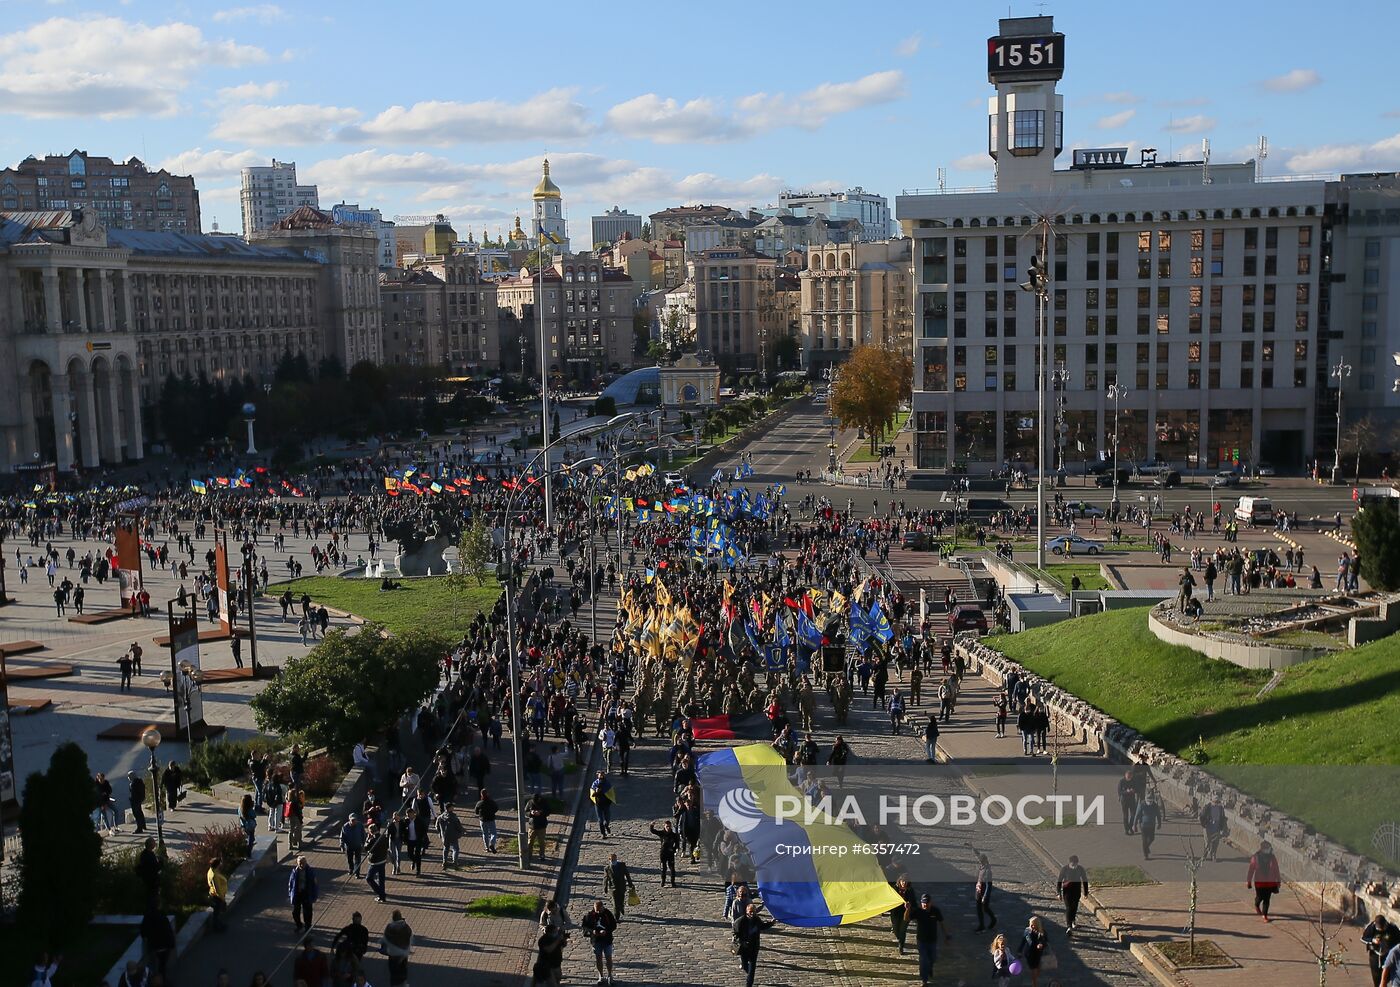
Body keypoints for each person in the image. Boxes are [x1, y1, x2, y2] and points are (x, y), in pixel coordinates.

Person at [908, 892, 950, 986]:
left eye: (927, 902)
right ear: (921, 903)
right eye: (923, 902)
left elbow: (942, 923)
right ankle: (924, 979)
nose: (925, 904)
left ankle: (929, 968)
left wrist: (946, 936)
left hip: (932, 940)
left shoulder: (935, 911)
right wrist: (907, 909)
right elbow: (906, 918)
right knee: (923, 960)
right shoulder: (918, 911)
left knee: (933, 958)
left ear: (931, 902)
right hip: (921, 941)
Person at [731, 901, 776, 987]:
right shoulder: (740, 921)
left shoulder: (756, 919)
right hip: (744, 947)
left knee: (752, 966)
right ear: (747, 911)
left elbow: (762, 926)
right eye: (750, 911)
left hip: (754, 946)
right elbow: (735, 933)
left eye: (753, 911)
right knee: (744, 965)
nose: (752, 913)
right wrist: (741, 941)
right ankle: (749, 975)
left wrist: (771, 923)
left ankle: (749, 983)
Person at [580, 899, 618, 986]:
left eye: (599, 910)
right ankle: (600, 975)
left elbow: (613, 925)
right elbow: (585, 927)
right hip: (596, 940)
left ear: (602, 907)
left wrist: (606, 931)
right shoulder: (589, 915)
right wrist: (593, 931)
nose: (598, 912)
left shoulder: (607, 913)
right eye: (596, 910)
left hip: (607, 939)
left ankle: (609, 975)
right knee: (598, 958)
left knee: (608, 958)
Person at [1246, 839, 1281, 922]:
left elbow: (1276, 869)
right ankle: (1256, 904)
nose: (1270, 850)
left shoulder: (1272, 857)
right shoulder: (1256, 857)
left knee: (1267, 899)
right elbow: (1251, 870)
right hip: (1259, 882)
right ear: (1263, 849)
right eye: (1268, 848)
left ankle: (1264, 915)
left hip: (1270, 882)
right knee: (1260, 897)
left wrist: (1278, 880)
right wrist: (1248, 881)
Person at [1363, 914, 1399, 987]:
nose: (1381, 930)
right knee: (1377, 978)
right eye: (1379, 929)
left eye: (1383, 928)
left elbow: (1398, 940)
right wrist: (1372, 940)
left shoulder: (1392, 928)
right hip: (1375, 957)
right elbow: (1364, 938)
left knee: (1390, 976)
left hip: (1389, 955)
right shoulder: (1372, 927)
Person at [1057, 855, 1090, 933]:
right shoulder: (1064, 869)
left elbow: (1085, 880)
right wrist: (1059, 893)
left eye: (1076, 864)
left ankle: (1073, 921)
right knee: (1069, 908)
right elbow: (1059, 881)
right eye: (1073, 864)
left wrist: (1086, 892)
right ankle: (1069, 926)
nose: (1074, 866)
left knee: (1074, 907)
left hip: (1076, 891)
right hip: (1067, 892)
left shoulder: (1080, 869)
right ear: (1070, 863)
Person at [381, 910, 413, 986]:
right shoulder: (406, 927)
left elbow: (386, 939)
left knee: (393, 973)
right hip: (403, 954)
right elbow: (409, 939)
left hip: (393, 954)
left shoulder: (390, 927)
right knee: (402, 973)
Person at [288, 854, 319, 932]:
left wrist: (314, 895)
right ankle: (299, 925)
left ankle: (307, 926)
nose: (301, 865)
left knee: (307, 912)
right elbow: (291, 883)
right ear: (297, 863)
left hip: (306, 893)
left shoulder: (310, 872)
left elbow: (314, 884)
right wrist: (290, 893)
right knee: (295, 912)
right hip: (297, 893)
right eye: (300, 863)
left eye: (303, 863)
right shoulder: (294, 872)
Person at [602, 852, 636, 918]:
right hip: (613, 888)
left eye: (614, 860)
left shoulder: (622, 865)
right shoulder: (607, 868)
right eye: (612, 860)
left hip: (621, 886)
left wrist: (630, 884)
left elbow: (627, 875)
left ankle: (621, 907)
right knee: (615, 903)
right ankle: (616, 916)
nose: (613, 861)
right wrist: (605, 887)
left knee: (621, 900)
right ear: (609, 859)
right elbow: (605, 878)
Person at [888, 875, 915, 953]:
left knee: (903, 930)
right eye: (903, 881)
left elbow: (914, 903)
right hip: (895, 912)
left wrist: (910, 905)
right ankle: (900, 939)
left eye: (906, 882)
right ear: (899, 881)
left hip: (905, 913)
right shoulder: (894, 889)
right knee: (896, 930)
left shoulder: (910, 890)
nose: (904, 883)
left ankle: (901, 946)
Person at [649, 819, 680, 886]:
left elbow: (677, 844)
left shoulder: (674, 835)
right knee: (663, 868)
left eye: (669, 826)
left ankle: (673, 882)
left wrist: (674, 850)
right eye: (667, 826)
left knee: (672, 868)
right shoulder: (662, 833)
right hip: (663, 853)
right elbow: (653, 831)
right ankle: (663, 881)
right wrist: (652, 825)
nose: (668, 828)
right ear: (664, 826)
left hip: (670, 853)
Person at [1019, 915, 1048, 987]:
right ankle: (1034, 984)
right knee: (1033, 969)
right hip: (1030, 954)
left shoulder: (1042, 932)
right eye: (1030, 925)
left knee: (1038, 969)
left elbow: (1045, 942)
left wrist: (1041, 944)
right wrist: (1019, 950)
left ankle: (1034, 980)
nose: (1031, 927)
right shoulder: (1027, 931)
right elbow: (1025, 941)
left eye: (1033, 925)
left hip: (1038, 953)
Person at [135, 837, 162, 910]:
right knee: (153, 897)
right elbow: (155, 867)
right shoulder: (150, 855)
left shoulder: (144, 854)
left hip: (146, 879)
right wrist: (160, 862)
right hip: (152, 880)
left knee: (150, 896)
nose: (155, 844)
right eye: (154, 843)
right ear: (151, 845)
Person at [973, 850, 997, 931]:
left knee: (985, 908)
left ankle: (993, 919)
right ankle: (982, 925)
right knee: (979, 908)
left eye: (980, 860)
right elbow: (978, 854)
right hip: (978, 891)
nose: (979, 860)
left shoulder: (987, 870)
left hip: (983, 892)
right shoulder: (982, 866)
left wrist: (985, 896)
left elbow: (988, 885)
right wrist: (971, 846)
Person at [365, 824, 389, 902]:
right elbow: (387, 846)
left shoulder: (373, 840)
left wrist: (367, 839)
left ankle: (381, 894)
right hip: (383, 860)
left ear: (370, 832)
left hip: (375, 862)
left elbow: (366, 848)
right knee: (381, 879)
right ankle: (382, 896)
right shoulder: (383, 837)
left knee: (369, 878)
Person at [1199, 795, 1228, 862]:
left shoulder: (1220, 808)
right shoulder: (1208, 807)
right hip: (1208, 828)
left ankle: (1213, 855)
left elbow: (1223, 817)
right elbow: (1202, 816)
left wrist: (1223, 827)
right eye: (1215, 802)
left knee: (1215, 843)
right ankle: (1204, 855)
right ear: (1212, 801)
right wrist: (1204, 825)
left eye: (1218, 802)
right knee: (1207, 843)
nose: (1216, 803)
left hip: (1217, 828)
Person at [1135, 794, 1163, 859]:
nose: (1150, 803)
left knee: (1152, 838)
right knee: (1144, 840)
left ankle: (1146, 848)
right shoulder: (1142, 805)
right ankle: (1146, 855)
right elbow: (1137, 815)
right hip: (1143, 825)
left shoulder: (1155, 806)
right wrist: (1135, 825)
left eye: (1151, 801)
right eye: (1148, 801)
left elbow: (1158, 815)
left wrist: (1159, 824)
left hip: (1152, 825)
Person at [340, 812, 366, 877]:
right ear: (349, 820)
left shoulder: (360, 825)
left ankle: (357, 872)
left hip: (357, 845)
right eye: (352, 820)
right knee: (350, 859)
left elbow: (363, 835)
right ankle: (351, 869)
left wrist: (363, 843)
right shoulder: (345, 827)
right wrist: (342, 846)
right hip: (349, 846)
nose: (354, 821)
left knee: (358, 859)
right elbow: (342, 837)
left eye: (355, 820)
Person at [207, 857, 228, 932]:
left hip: (216, 896)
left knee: (218, 912)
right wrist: (223, 899)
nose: (221, 864)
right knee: (217, 913)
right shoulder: (214, 875)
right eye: (220, 863)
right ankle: (216, 927)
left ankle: (219, 925)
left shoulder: (212, 871)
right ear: (217, 865)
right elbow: (217, 889)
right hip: (217, 897)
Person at [474, 787, 499, 853]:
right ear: (488, 794)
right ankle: (492, 844)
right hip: (491, 819)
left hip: (483, 820)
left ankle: (487, 848)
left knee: (485, 834)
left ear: (481, 795)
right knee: (493, 833)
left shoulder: (479, 803)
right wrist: (492, 812)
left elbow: (476, 812)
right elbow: (496, 808)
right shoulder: (491, 802)